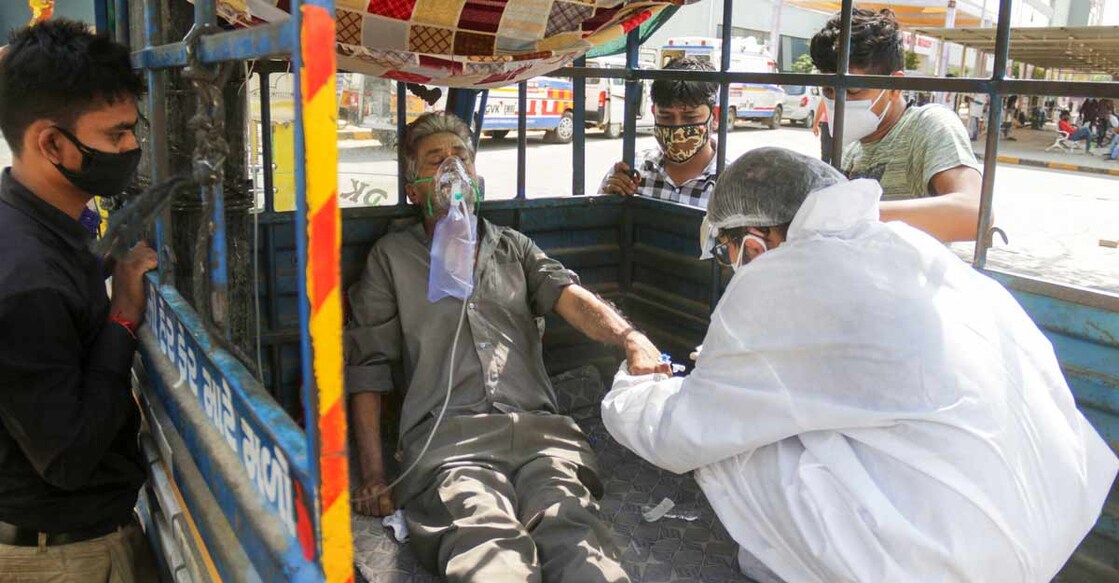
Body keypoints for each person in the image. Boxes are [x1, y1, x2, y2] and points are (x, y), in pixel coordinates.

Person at [601, 147, 1118, 583]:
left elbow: (679, 434)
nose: (732, 262)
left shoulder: (783, 276)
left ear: (755, 243)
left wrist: (631, 387)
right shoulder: (906, 245)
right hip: (1050, 526)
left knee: (727, 453)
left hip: (950, 563)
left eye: (728, 251)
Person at [346, 112, 668, 583]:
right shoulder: (392, 258)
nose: (451, 168)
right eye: (435, 159)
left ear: (477, 177)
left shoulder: (513, 247)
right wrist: (374, 475)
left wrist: (629, 337)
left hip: (542, 436)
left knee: (575, 531)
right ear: (413, 187)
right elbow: (367, 365)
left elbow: (568, 296)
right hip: (451, 444)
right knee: (484, 538)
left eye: (461, 157)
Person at [0, 20, 158, 581]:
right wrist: (123, 317)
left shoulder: (38, 222)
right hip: (63, 555)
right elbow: (66, 456)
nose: (132, 147)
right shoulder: (27, 276)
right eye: (115, 136)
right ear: (51, 142)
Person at [810, 8, 983, 242]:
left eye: (852, 91)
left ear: (894, 86)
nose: (837, 102)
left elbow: (974, 213)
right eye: (828, 90)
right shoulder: (852, 148)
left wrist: (851, 215)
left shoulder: (927, 126)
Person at [599, 57, 719, 208]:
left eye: (690, 117)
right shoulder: (632, 170)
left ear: (714, 116)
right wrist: (609, 202)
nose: (677, 128)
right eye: (666, 117)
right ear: (654, 113)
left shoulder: (733, 182)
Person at [812, 98, 832, 165]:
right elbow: (822, 104)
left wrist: (815, 123)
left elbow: (822, 104)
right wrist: (815, 123)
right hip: (828, 124)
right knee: (826, 154)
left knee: (826, 154)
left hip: (830, 124)